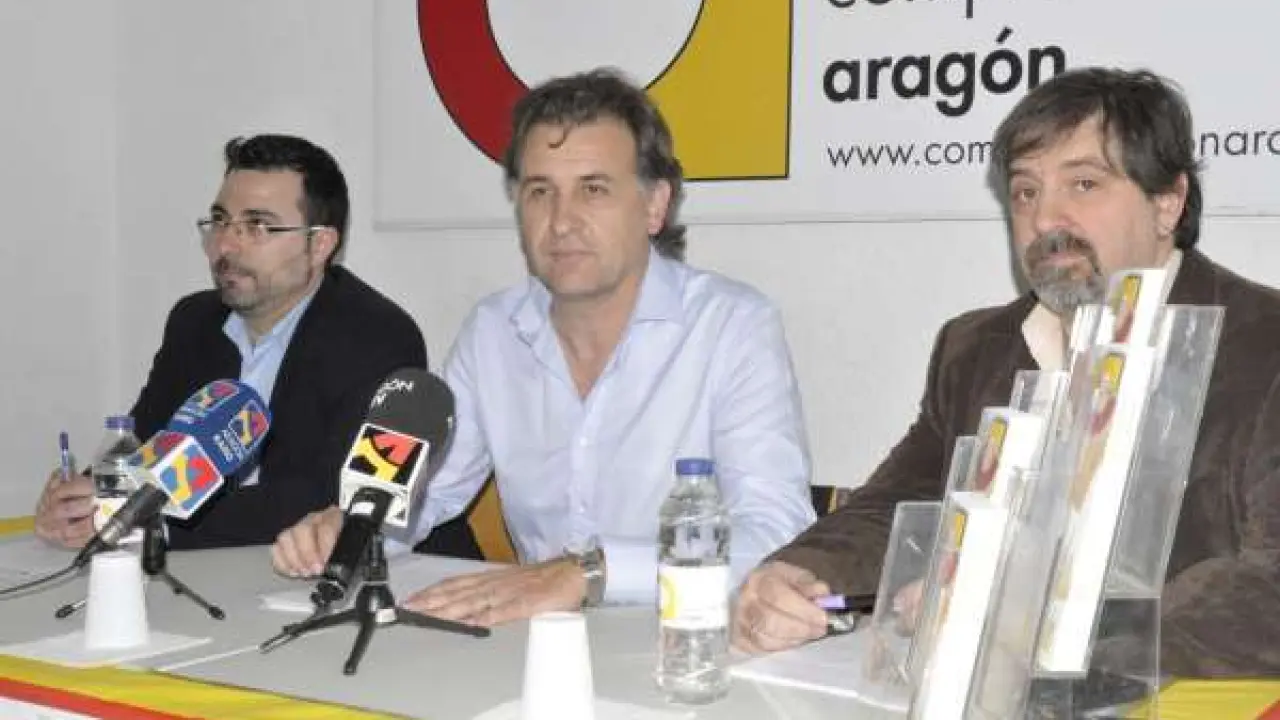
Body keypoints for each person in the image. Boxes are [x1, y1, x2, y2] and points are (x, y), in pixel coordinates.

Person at [732, 67, 1280, 676]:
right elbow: (899, 505)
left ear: (1167, 203)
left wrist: (1035, 627)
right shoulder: (976, 348)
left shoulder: (1265, 345)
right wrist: (800, 571)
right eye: (1025, 192)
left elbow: (1268, 591)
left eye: (1084, 184)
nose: (1045, 220)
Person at [271, 68, 815, 626]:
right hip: (537, 642)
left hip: (685, 642)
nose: (561, 222)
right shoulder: (492, 331)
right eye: (540, 192)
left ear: (654, 206)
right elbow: (428, 495)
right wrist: (352, 528)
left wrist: (591, 573)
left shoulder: (732, 325)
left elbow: (776, 534)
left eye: (593, 190)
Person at [33, 134, 433, 551]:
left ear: (319, 245)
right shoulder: (194, 322)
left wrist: (143, 520)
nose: (224, 245)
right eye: (221, 221)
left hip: (337, 572)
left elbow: (326, 499)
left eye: (257, 226)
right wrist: (82, 500)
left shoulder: (377, 337)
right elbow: (145, 451)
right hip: (208, 568)